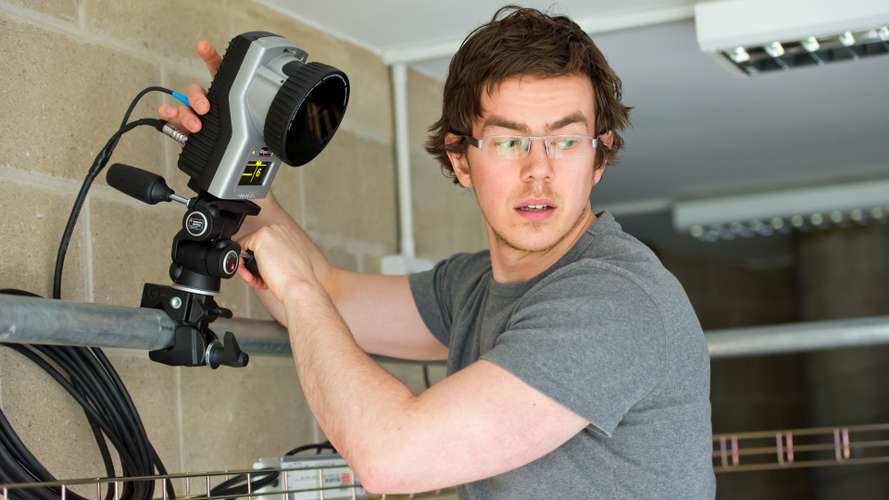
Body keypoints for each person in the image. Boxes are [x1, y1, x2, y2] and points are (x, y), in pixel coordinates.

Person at [160, 6, 715, 499]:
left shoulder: (614, 301)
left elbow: (389, 457)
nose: (539, 170)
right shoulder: (472, 287)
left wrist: (300, 289)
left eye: (566, 140)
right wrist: (241, 149)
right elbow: (332, 297)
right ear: (460, 160)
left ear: (599, 156)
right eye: (508, 141)